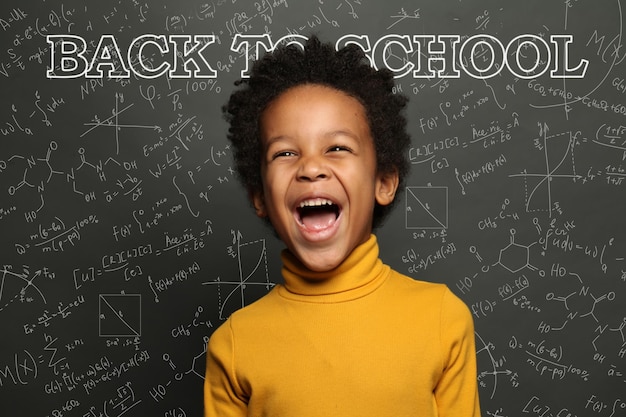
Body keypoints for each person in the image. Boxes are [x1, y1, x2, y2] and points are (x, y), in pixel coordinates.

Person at [204, 35, 481, 417]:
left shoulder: (442, 318)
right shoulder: (234, 345)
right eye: (285, 153)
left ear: (383, 182)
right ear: (260, 199)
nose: (311, 167)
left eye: (337, 148)